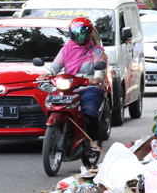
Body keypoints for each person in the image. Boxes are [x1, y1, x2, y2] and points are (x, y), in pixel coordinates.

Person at [38, 17, 106, 148]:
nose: (79, 35)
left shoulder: (96, 51)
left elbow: (100, 69)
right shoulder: (66, 49)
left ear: (90, 33)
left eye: (83, 32)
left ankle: (94, 141)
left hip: (89, 87)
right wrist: (47, 74)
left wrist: (96, 78)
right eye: (76, 32)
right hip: (69, 87)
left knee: (89, 111)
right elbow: (55, 66)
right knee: (52, 104)